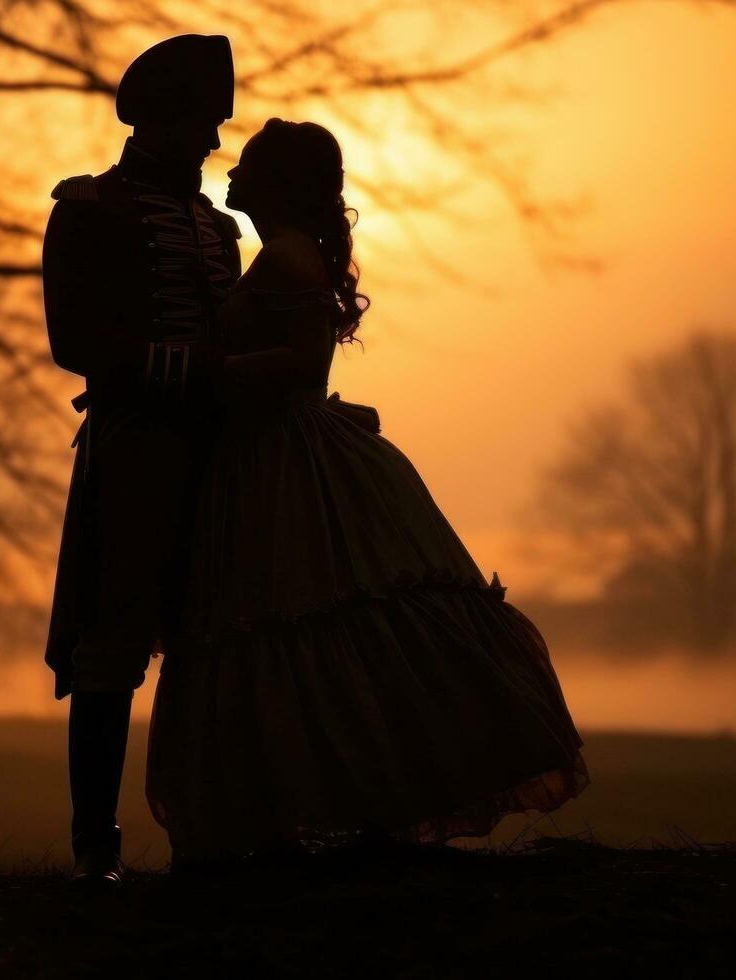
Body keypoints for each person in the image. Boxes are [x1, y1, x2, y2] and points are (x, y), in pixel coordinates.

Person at [145, 119, 589, 862]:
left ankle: (315, 812)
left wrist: (208, 370)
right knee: (289, 621)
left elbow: (303, 362)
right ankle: (311, 813)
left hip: (283, 463)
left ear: (279, 184)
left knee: (288, 615)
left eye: (249, 163)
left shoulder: (285, 257)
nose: (231, 171)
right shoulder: (283, 253)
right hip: (271, 454)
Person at [40, 34, 243, 886]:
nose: (211, 141)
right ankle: (97, 846)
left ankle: (214, 838)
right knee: (112, 646)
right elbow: (76, 340)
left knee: (220, 640)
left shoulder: (218, 228)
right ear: (160, 117)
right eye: (201, 121)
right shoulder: (88, 209)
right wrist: (190, 372)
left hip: (222, 457)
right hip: (135, 453)